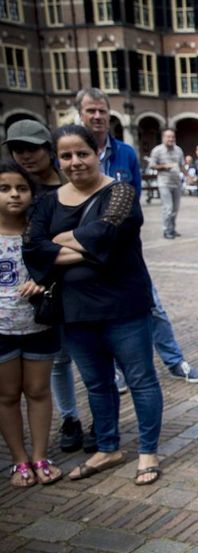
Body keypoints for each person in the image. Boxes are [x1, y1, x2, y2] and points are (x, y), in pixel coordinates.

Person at [24, 125, 164, 486]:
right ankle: (108, 447)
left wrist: (60, 245)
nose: (75, 162)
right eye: (66, 155)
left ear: (96, 153)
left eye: (82, 153)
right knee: (97, 383)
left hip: (124, 306)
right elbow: (34, 247)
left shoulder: (120, 192)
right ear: (58, 159)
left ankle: (148, 451)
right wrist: (84, 249)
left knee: (141, 380)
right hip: (76, 310)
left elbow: (110, 239)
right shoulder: (47, 202)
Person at [76, 88, 198, 399]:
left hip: (125, 251)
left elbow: (132, 202)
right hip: (84, 255)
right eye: (90, 111)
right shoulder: (73, 155)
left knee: (154, 307)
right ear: (79, 115)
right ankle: (114, 371)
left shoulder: (123, 153)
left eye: (102, 111)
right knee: (99, 317)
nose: (97, 116)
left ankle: (175, 362)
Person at [1, 121, 86, 452]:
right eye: (17, 149)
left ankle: (91, 421)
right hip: (21, 312)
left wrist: (47, 275)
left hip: (66, 292)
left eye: (32, 148)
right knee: (57, 365)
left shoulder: (68, 185)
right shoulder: (15, 192)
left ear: (49, 150)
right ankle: (69, 418)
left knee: (80, 358)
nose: (25, 155)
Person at [0, 160, 63, 487]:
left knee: (38, 391)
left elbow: (57, 267)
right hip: (1, 330)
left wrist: (42, 281)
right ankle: (19, 459)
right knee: (7, 395)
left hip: (38, 325)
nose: (14, 195)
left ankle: (40, 455)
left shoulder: (38, 231)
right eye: (5, 188)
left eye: (21, 189)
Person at [147, 128, 185, 239]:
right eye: (168, 137)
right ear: (163, 138)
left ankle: (172, 229)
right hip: (164, 183)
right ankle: (166, 230)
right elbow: (152, 165)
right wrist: (165, 166)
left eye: (173, 137)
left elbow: (181, 165)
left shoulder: (179, 150)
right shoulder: (157, 150)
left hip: (176, 182)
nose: (171, 139)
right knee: (168, 208)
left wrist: (188, 176)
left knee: (175, 208)